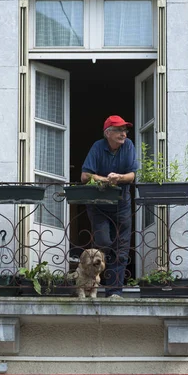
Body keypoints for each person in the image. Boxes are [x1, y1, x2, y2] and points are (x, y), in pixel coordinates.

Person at [81, 115, 138, 298]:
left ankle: (114, 291)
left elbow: (132, 175)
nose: (123, 133)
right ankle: (91, 284)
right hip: (99, 206)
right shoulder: (98, 147)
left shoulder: (128, 145)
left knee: (121, 251)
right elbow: (85, 176)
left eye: (125, 130)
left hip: (121, 205)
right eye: (119, 130)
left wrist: (119, 178)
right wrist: (105, 179)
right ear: (108, 133)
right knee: (104, 243)